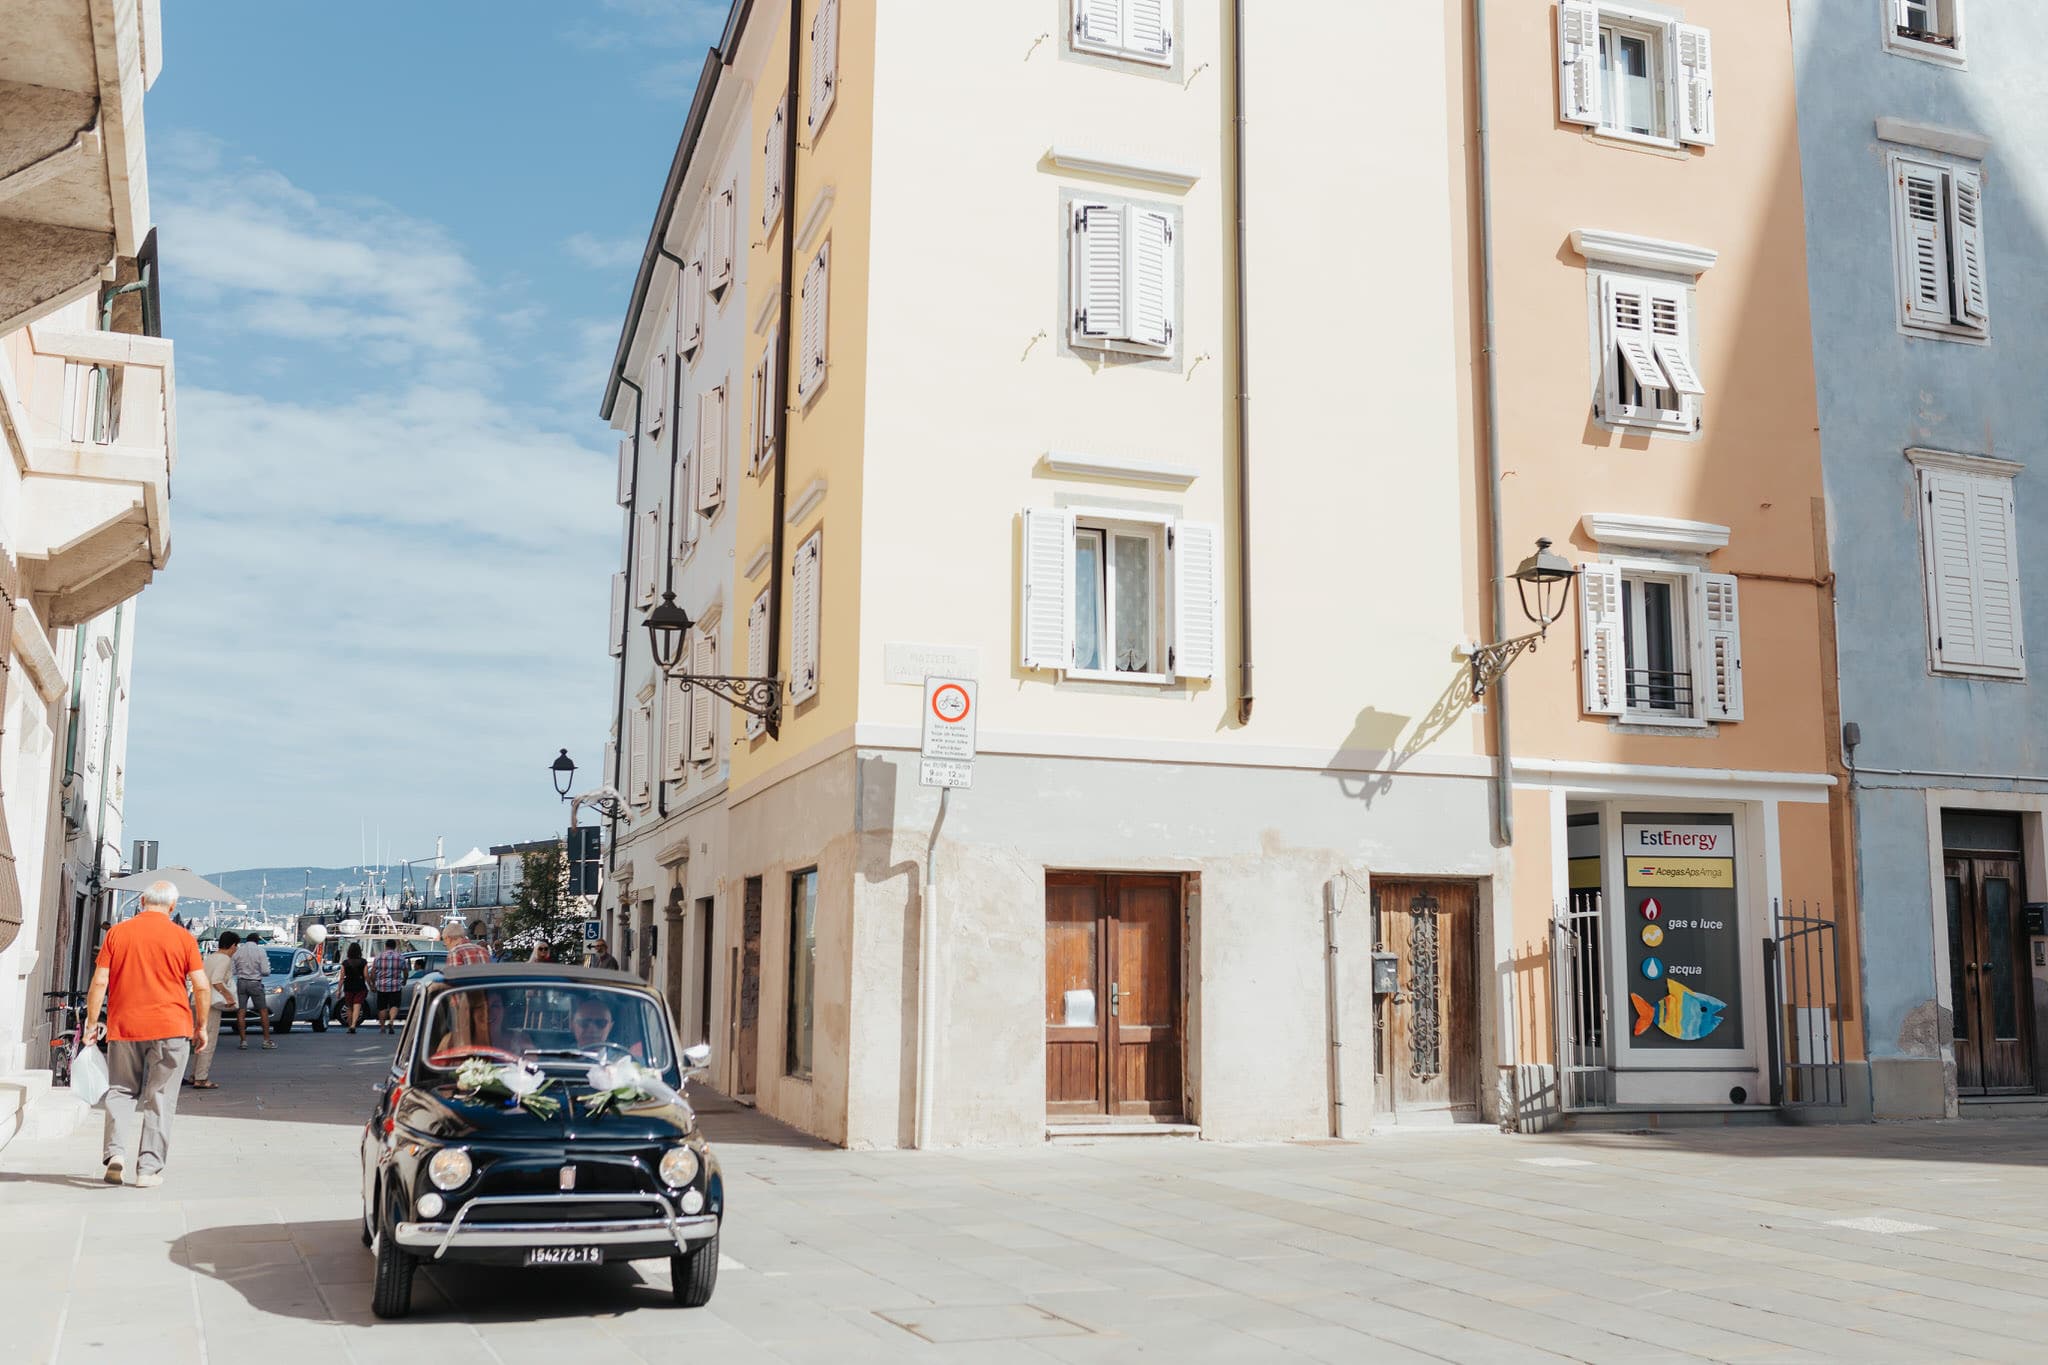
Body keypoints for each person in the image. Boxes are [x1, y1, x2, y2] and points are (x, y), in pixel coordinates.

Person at [81, 880, 212, 1186]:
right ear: (172, 907)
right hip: (172, 1027)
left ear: (141, 902)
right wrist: (201, 1026)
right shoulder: (183, 938)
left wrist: (90, 1023)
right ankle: (147, 1170)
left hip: (125, 1026)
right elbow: (202, 986)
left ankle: (115, 1155)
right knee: (160, 1097)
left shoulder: (118, 933)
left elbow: (100, 982)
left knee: (121, 1090)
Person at [185, 931, 238, 1090]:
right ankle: (201, 1078)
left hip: (197, 1000)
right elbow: (217, 981)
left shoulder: (210, 958)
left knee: (199, 1040)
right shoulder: (224, 959)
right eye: (236, 946)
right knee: (209, 1040)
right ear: (233, 945)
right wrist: (229, 997)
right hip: (210, 1004)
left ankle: (195, 1074)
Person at [230, 931, 276, 1050]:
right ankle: (266, 1040)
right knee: (263, 1011)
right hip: (255, 983)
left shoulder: (238, 951)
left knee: (241, 1011)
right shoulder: (260, 951)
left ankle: (243, 1041)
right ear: (257, 941)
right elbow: (266, 971)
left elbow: (233, 971)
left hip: (241, 982)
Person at [369, 938, 407, 1034]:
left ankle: (382, 1027)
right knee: (394, 1005)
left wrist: (373, 984)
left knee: (382, 1007)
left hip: (382, 986)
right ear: (395, 947)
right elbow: (405, 971)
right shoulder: (400, 957)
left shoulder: (378, 957)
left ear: (385, 946)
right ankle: (391, 1021)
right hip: (395, 986)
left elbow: (373, 972)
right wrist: (405, 980)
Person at [339, 944, 369, 1033]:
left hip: (348, 986)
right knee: (357, 1006)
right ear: (359, 951)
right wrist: (371, 985)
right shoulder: (364, 962)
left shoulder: (345, 963)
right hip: (360, 985)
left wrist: (338, 990)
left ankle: (349, 1025)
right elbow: (366, 975)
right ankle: (353, 1025)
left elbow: (341, 977)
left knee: (349, 1007)